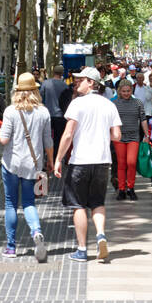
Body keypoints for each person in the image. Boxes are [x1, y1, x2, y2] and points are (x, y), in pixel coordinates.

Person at [54, 69, 121, 262]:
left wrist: (58, 159)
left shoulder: (77, 104)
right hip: (102, 161)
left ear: (91, 82)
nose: (77, 83)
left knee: (78, 205)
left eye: (80, 80)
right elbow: (117, 136)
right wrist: (100, 136)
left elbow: (68, 134)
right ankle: (100, 234)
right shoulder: (109, 105)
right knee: (98, 203)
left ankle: (82, 249)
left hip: (81, 161)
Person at [0, 71, 53, 259]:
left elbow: (3, 140)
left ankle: (11, 247)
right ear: (35, 91)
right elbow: (48, 142)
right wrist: (51, 162)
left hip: (11, 163)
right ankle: (36, 231)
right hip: (33, 164)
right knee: (29, 202)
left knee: (11, 203)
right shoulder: (43, 112)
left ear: (17, 91)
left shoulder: (10, 111)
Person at [114, 78, 149, 200]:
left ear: (132, 90)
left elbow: (143, 119)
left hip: (134, 137)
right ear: (119, 91)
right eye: (124, 91)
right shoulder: (114, 104)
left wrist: (147, 135)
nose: (126, 93)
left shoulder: (138, 103)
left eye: (128, 91)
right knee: (121, 164)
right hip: (119, 137)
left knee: (131, 162)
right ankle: (122, 189)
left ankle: (131, 187)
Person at [40, 65, 68, 155]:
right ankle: (55, 157)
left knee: (45, 136)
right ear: (62, 73)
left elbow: (40, 98)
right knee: (58, 139)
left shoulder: (45, 83)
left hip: (47, 114)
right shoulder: (65, 86)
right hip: (60, 116)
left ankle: (45, 155)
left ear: (53, 72)